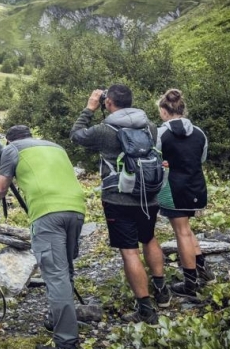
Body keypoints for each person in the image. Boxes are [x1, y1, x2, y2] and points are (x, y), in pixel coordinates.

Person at [70, 84, 170, 324]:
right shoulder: (150, 126)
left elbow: (76, 135)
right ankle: (162, 291)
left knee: (129, 250)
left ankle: (145, 309)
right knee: (149, 238)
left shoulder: (104, 130)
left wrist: (89, 108)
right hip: (149, 194)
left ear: (108, 102)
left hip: (118, 197)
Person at [0, 124, 86, 349]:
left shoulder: (11, 150)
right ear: (30, 136)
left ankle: (66, 342)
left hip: (47, 213)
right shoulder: (55, 147)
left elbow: (1, 188)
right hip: (76, 209)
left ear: (9, 141)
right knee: (64, 267)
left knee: (55, 275)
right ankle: (58, 319)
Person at [156, 88, 211, 295]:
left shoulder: (161, 133)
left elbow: (155, 159)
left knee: (181, 233)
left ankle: (190, 283)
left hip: (173, 188)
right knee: (186, 229)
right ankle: (203, 269)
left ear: (164, 111)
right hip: (196, 185)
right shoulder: (199, 132)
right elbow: (202, 158)